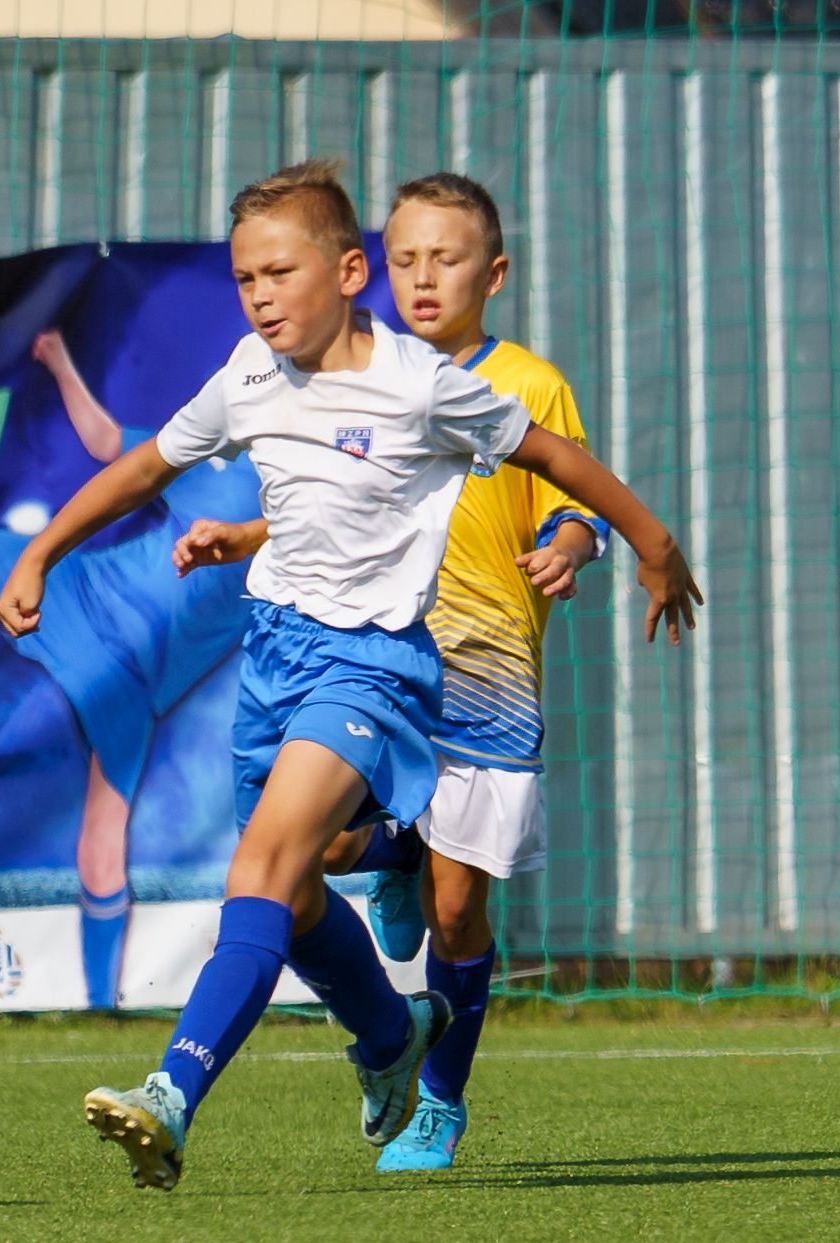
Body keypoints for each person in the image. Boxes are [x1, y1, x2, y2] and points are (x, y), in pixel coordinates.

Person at [0, 159, 700, 1192]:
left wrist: (648, 539)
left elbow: (554, 457)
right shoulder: (250, 374)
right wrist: (40, 553)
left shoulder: (421, 384)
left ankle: (172, 1093)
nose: (260, 295)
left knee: (265, 865)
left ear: (346, 273)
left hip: (375, 662)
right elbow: (148, 466)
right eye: (245, 278)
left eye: (280, 272)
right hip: (275, 655)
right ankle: (388, 1034)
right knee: (296, 887)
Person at [175, 172, 612, 1172]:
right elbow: (329, 505)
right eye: (405, 258)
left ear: (492, 275)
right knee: (316, 853)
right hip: (366, 662)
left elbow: (573, 498)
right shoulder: (342, 371)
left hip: (484, 672)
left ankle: (440, 1100)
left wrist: (572, 544)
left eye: (445, 260)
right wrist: (245, 534)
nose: (422, 278)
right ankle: (395, 867)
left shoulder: (525, 384)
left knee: (457, 910)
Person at [0, 330, 264, 1008]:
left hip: (130, 682)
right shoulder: (210, 457)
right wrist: (62, 361)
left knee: (101, 848)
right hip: (78, 588)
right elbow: (105, 442)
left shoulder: (313, 518)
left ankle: (99, 1009)